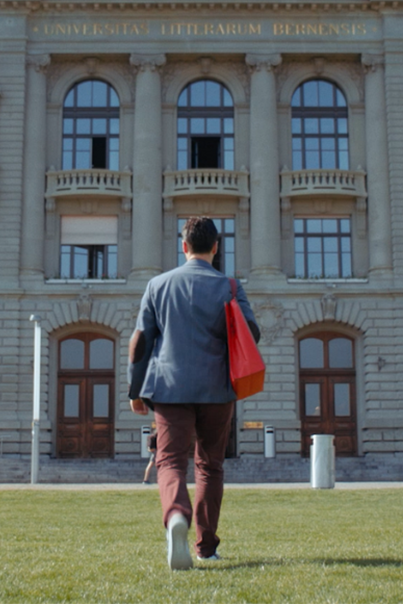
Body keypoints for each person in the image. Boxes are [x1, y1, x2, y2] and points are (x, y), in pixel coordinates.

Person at [128, 217, 259, 571]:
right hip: (218, 389)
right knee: (210, 466)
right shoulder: (230, 287)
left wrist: (135, 390)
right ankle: (205, 546)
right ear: (216, 248)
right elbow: (252, 333)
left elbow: (141, 342)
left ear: (183, 246)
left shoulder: (157, 285)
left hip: (169, 389)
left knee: (170, 461)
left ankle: (175, 516)